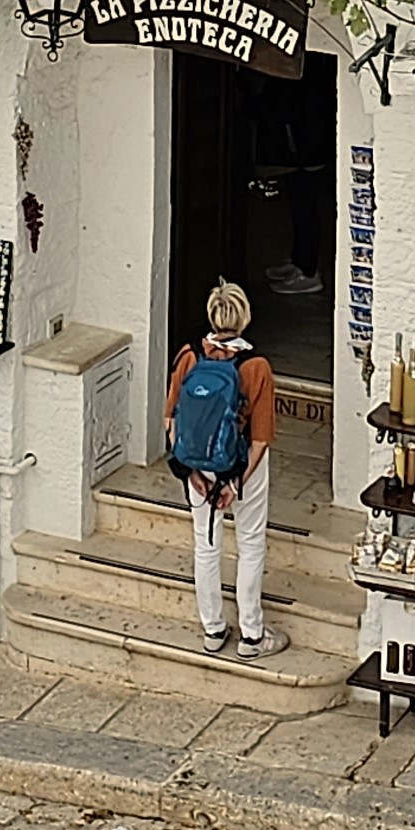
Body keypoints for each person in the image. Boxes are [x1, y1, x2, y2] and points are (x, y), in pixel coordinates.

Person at [167, 281, 282, 656]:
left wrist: (192, 474)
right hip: (240, 465)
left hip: (199, 467)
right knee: (249, 544)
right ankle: (252, 634)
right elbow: (261, 439)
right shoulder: (256, 366)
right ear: (245, 317)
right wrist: (235, 484)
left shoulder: (188, 357)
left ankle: (213, 629)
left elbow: (171, 421)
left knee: (206, 544)